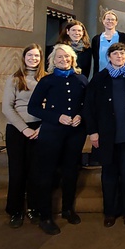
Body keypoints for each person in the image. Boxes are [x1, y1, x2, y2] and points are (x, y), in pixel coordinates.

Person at [28, 44, 89, 235]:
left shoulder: (81, 79)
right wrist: (56, 117)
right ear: (53, 60)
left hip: (75, 133)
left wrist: (80, 115)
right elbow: (33, 107)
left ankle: (68, 209)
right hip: (52, 132)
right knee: (47, 173)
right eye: (60, 57)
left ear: (73, 59)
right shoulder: (47, 81)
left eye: (67, 57)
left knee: (71, 171)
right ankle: (45, 216)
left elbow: (87, 104)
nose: (64, 60)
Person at [84, 43, 125, 228]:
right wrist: (93, 132)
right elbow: (89, 106)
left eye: (122, 53)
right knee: (109, 176)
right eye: (115, 53)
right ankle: (110, 212)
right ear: (109, 57)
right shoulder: (99, 78)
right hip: (107, 135)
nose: (119, 56)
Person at [1, 43, 45, 228]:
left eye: (36, 56)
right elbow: (7, 108)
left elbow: (51, 106)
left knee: (36, 171)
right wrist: (24, 129)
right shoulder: (14, 79)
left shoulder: (45, 79)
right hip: (17, 129)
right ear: (24, 58)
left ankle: (34, 208)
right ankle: (15, 210)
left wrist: (42, 128)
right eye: (30, 56)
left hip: (39, 128)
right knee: (17, 171)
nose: (33, 59)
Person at [91, 10, 125, 75]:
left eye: (112, 20)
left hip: (119, 74)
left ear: (116, 22)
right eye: (108, 19)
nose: (110, 21)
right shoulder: (96, 39)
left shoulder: (123, 37)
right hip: (101, 74)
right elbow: (95, 59)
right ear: (103, 21)